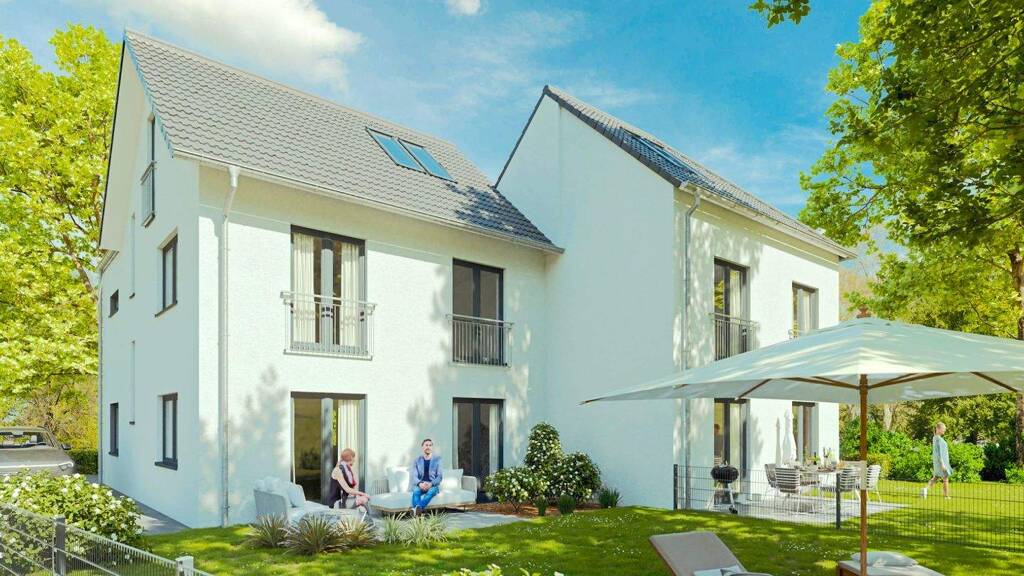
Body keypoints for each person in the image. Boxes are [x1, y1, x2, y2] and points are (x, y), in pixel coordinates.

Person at [330, 448, 371, 512]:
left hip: (345, 500)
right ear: (350, 458)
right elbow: (347, 489)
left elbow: (353, 488)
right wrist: (363, 494)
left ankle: (365, 517)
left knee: (362, 507)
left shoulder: (347, 470)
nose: (354, 460)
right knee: (364, 499)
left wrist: (357, 496)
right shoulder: (338, 470)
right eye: (353, 458)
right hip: (336, 503)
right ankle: (368, 516)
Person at [411, 438, 442, 515]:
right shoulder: (417, 460)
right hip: (421, 484)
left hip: (432, 485)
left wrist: (431, 484)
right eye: (426, 445)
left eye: (430, 445)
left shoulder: (437, 460)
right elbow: (414, 476)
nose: (428, 447)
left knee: (431, 492)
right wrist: (420, 484)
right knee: (416, 491)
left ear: (432, 447)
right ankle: (418, 511)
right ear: (422, 447)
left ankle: (416, 509)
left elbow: (439, 476)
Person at [922, 422, 952, 500]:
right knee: (945, 478)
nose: (944, 431)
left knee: (935, 477)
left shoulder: (935, 438)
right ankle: (946, 496)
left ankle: (925, 489)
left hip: (938, 461)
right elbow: (939, 452)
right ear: (938, 429)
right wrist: (942, 464)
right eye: (943, 429)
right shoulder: (938, 439)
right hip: (941, 462)